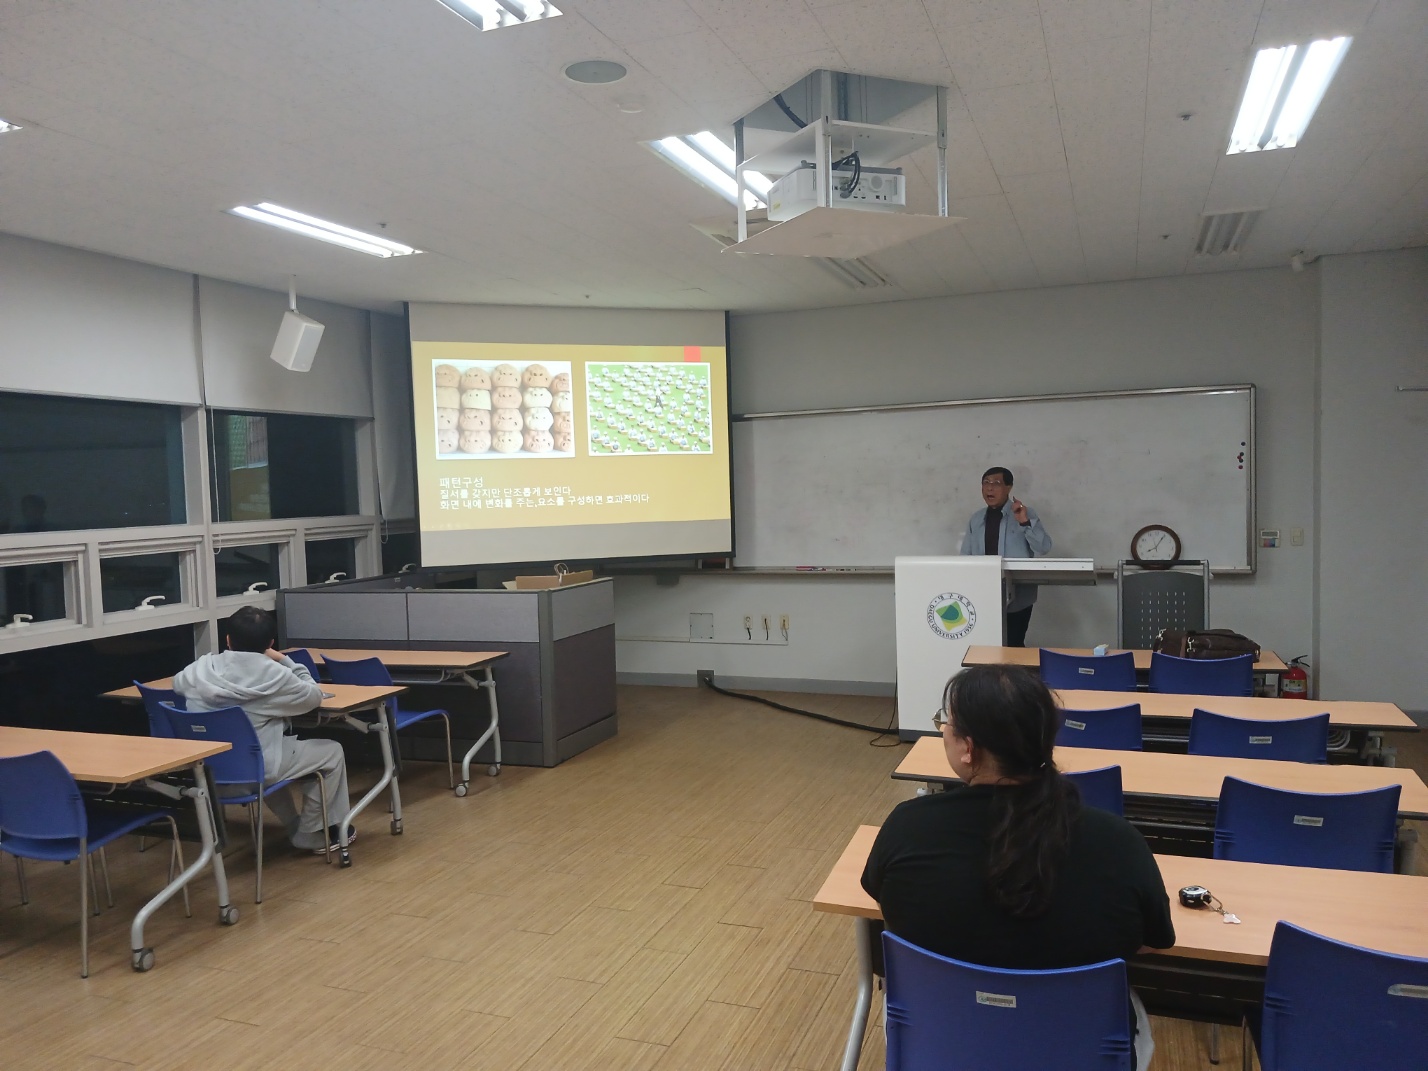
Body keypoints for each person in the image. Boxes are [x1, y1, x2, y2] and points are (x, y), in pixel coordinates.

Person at [862, 665, 1174, 1069]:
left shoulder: (907, 826)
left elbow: (886, 905)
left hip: (941, 1044)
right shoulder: (1117, 841)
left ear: (968, 748)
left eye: (946, 723)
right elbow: (1152, 939)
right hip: (1076, 1054)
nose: (942, 730)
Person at [172, 605, 352, 853]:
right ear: (270, 643)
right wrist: (285, 660)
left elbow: (177, 684)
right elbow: (313, 696)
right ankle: (310, 831)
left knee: (268, 749)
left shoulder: (199, 670)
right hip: (254, 770)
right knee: (331, 752)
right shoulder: (277, 675)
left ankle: (293, 825)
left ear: (227, 640)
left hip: (206, 772)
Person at [959, 466, 1051, 646]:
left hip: (1018, 596)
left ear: (1009, 487)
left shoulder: (1024, 514)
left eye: (996, 483)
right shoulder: (976, 519)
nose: (989, 488)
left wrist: (1024, 522)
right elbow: (965, 556)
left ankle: (1015, 666)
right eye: (986, 483)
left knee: (1013, 645)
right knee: (985, 646)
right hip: (984, 593)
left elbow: (1044, 547)